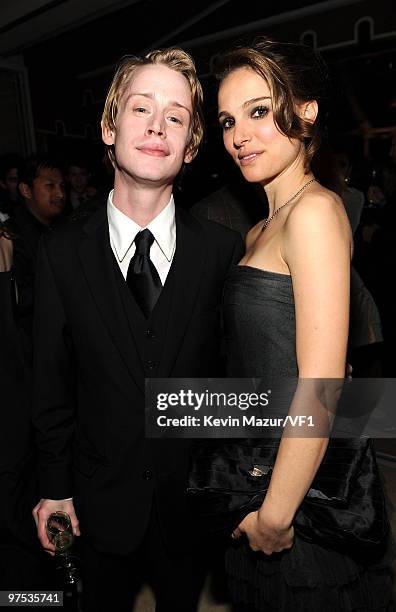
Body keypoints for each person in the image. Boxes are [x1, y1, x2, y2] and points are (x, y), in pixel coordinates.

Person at [31, 47, 243, 612]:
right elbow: (50, 383)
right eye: (140, 108)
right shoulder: (58, 253)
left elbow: (232, 378)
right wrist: (54, 486)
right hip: (97, 501)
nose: (156, 125)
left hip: (190, 502)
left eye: (175, 116)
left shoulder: (223, 251)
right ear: (108, 126)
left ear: (192, 144)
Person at [213, 38, 394, 611]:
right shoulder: (259, 230)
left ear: (307, 110)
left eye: (259, 111)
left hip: (300, 494)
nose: (239, 134)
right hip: (260, 468)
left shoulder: (314, 211)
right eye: (227, 120)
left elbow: (322, 383)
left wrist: (276, 514)